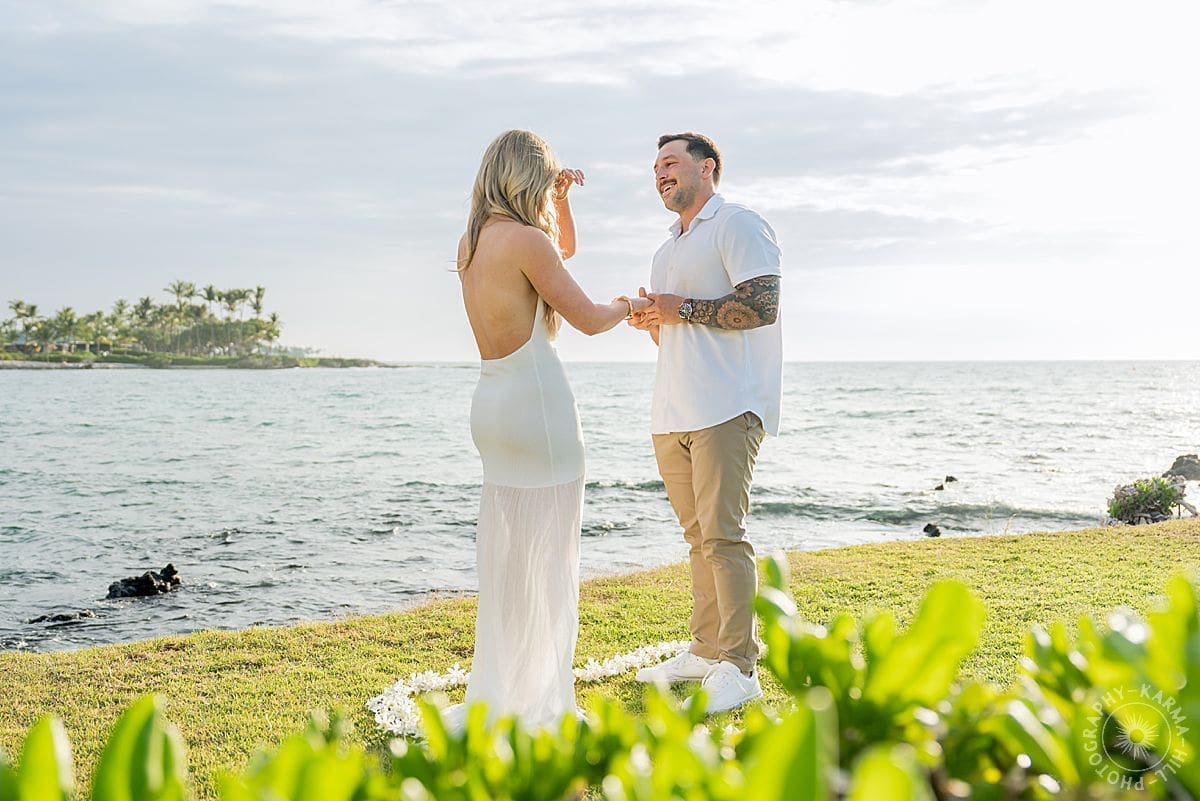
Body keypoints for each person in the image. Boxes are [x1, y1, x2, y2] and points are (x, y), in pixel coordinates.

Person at [448, 129, 651, 730]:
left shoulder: (472, 242)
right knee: (550, 557)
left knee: (511, 561)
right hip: (537, 405)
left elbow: (560, 251)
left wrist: (561, 201)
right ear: (528, 176)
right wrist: (630, 306)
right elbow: (586, 318)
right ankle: (539, 701)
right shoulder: (527, 241)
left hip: (491, 407)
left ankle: (504, 689)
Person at [629, 132, 782, 715]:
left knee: (723, 537)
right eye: (655, 167)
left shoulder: (738, 224)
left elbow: (763, 306)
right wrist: (655, 322)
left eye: (671, 162)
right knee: (698, 538)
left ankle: (740, 666)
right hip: (673, 410)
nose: (660, 174)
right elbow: (678, 333)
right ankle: (704, 650)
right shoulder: (666, 248)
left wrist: (683, 309)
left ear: (707, 168)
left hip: (727, 406)